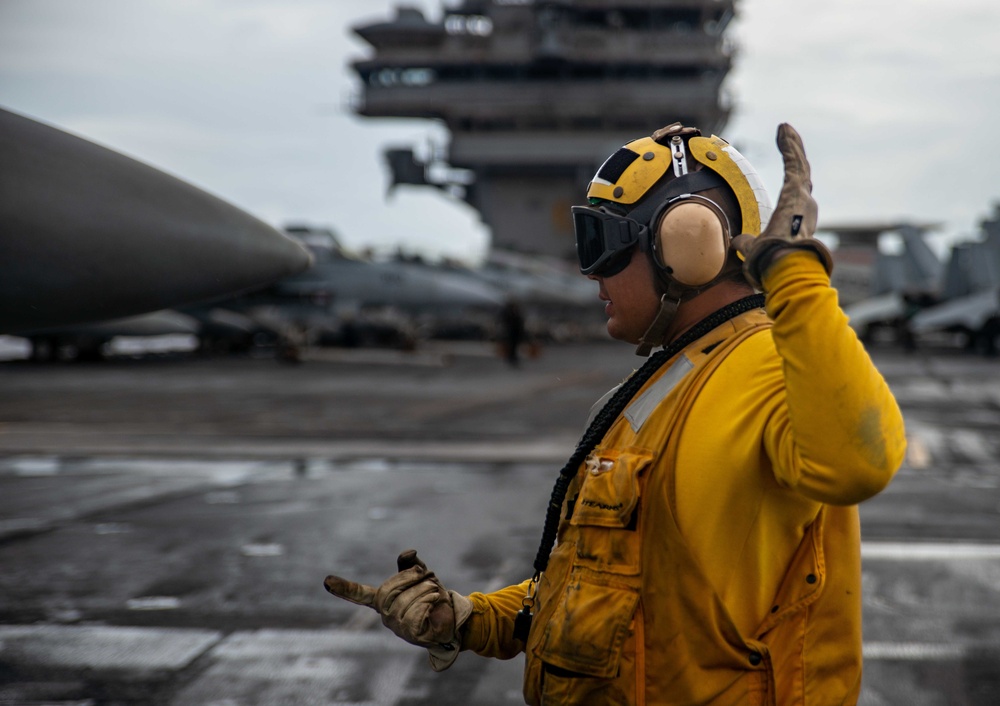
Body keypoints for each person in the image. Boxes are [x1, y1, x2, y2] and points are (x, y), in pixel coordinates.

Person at [323, 123, 907, 704]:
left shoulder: (765, 366)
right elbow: (606, 586)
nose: (591, 271)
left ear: (686, 245)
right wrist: (471, 618)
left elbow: (859, 461)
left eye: (604, 242)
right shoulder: (660, 385)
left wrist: (793, 271)